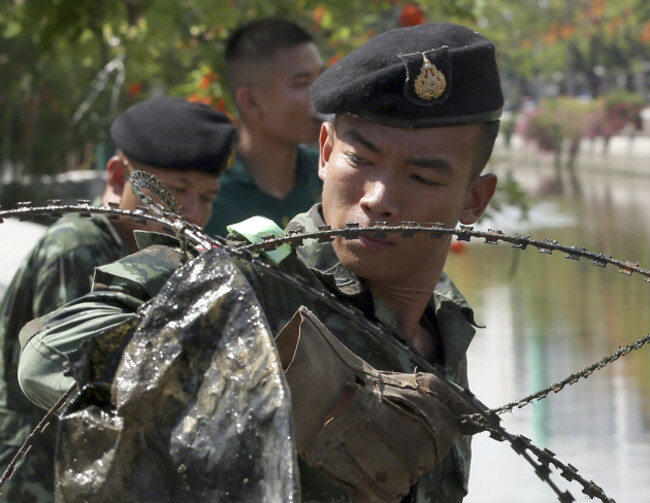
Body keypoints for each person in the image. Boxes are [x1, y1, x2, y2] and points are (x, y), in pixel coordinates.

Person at [17, 22, 502, 502]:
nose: (378, 200)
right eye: (360, 160)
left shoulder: (446, 325)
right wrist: (292, 393)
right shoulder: (252, 276)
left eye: (423, 178)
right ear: (327, 152)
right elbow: (50, 353)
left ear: (474, 200)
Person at [0, 95, 236, 502]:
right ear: (115, 176)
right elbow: (69, 380)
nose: (193, 213)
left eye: (208, 197)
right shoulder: (78, 248)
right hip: (38, 474)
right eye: (176, 191)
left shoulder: (154, 256)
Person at [204, 17, 326, 237]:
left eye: (321, 78)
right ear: (251, 102)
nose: (321, 94)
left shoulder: (330, 176)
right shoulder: (205, 194)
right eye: (301, 83)